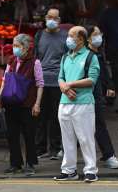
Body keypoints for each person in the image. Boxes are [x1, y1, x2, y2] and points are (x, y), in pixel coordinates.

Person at [54, 26, 100, 183]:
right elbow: (60, 78)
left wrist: (70, 84)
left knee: (86, 138)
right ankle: (68, 170)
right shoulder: (65, 57)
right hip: (64, 103)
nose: (68, 38)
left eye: (72, 36)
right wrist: (65, 88)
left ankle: (91, 171)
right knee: (67, 139)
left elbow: (92, 79)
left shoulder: (90, 56)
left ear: (81, 39)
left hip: (83, 103)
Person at [0, 34, 44, 176]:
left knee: (29, 134)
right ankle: (15, 163)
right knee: (12, 134)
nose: (15, 48)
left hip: (27, 104)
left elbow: (40, 84)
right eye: (14, 45)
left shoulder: (35, 63)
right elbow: (5, 80)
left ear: (26, 47)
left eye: (18, 45)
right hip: (11, 103)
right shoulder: (11, 60)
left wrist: (37, 104)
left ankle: (30, 163)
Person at [85, 25, 118, 169]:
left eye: (99, 33)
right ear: (88, 38)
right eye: (95, 34)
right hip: (88, 96)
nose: (98, 36)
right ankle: (108, 156)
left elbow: (104, 72)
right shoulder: (86, 55)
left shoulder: (98, 53)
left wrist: (110, 86)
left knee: (98, 125)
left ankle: (108, 155)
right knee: (93, 126)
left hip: (97, 95)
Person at [35, 9, 67, 160]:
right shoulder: (39, 35)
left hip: (58, 82)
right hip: (41, 82)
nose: (52, 20)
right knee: (40, 116)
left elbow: (68, 58)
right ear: (45, 18)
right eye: (49, 17)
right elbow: (35, 56)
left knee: (56, 117)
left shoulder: (65, 36)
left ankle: (55, 148)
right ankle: (40, 149)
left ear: (59, 20)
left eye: (55, 18)